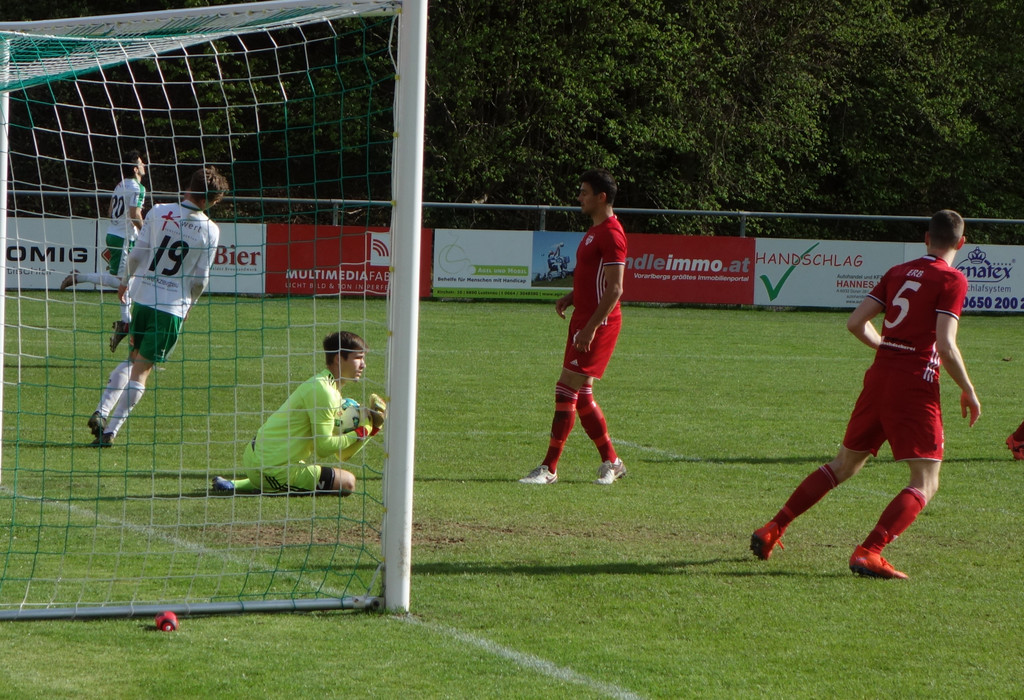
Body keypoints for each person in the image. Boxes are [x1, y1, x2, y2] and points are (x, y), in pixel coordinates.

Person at [750, 210, 981, 579]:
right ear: (962, 243)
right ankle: (870, 551)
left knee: (843, 465)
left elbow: (856, 322)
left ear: (926, 238)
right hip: (914, 384)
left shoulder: (898, 272)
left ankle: (773, 527)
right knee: (926, 480)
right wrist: (968, 389)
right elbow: (945, 344)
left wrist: (886, 347)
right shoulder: (952, 279)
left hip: (880, 377)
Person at [87, 166, 229, 446]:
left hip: (143, 298)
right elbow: (200, 279)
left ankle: (101, 410)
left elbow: (136, 255)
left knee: (132, 359)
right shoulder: (210, 230)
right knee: (142, 370)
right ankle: (110, 432)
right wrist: (190, 305)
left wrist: (125, 283)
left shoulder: (159, 211)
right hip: (171, 307)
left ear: (189, 187)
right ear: (209, 200)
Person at [520, 169, 628, 486]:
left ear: (601, 197)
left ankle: (549, 468)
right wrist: (571, 297)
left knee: (566, 389)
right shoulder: (595, 231)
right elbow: (593, 279)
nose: (579, 197)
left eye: (584, 192)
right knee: (581, 395)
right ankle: (612, 461)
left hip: (599, 322)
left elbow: (615, 289)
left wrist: (591, 328)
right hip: (584, 318)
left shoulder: (612, 234)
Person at [211, 331, 387, 496]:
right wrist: (362, 431)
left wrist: (372, 428)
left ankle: (234, 484)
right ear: (338, 359)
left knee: (323, 473)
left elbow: (341, 454)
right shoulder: (324, 393)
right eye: (358, 358)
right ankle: (259, 481)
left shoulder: (327, 387)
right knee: (347, 482)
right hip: (269, 468)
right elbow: (324, 448)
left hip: (262, 457)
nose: (363, 364)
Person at [61, 149, 147, 352]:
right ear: (135, 169)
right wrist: (146, 233)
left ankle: (126, 324)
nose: (144, 165)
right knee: (122, 282)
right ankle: (125, 323)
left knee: (130, 281)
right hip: (124, 238)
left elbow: (110, 211)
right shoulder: (138, 187)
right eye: (141, 162)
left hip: (116, 234)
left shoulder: (120, 185)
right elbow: (134, 215)